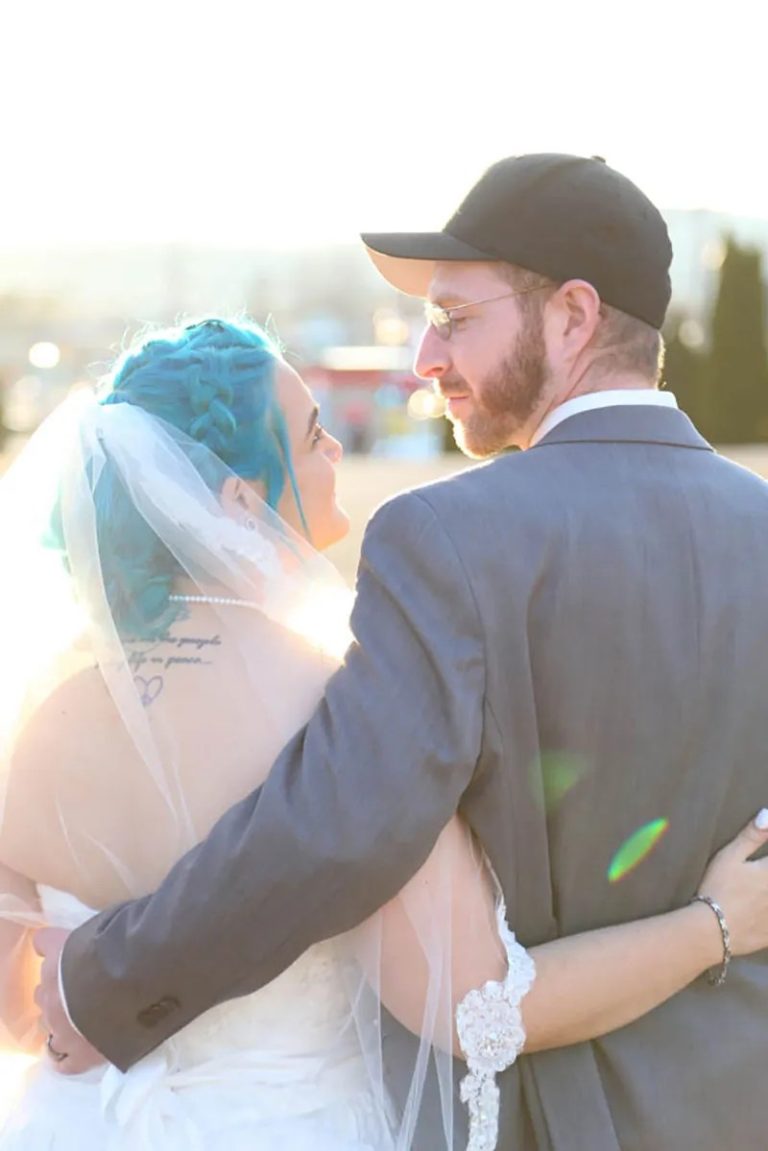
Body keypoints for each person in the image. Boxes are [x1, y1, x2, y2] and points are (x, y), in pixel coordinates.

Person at [29, 154, 768, 1149]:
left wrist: (102, 979)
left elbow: (337, 829)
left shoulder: (446, 536)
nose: (424, 355)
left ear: (574, 317)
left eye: (457, 317)